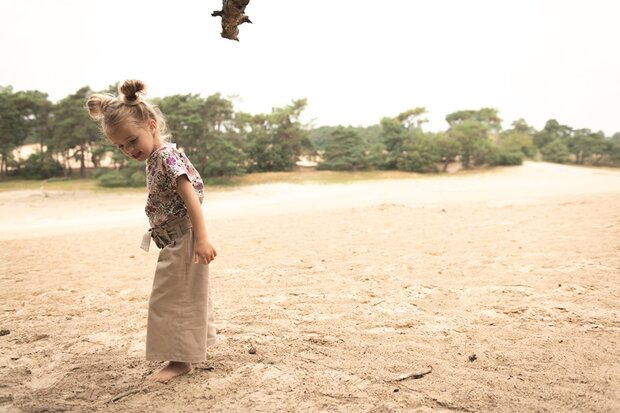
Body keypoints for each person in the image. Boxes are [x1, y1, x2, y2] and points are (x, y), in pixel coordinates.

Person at [86, 79, 217, 382]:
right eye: (120, 146)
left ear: (152, 125)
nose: (128, 150)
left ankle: (180, 361)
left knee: (170, 298)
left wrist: (202, 239)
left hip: (184, 236)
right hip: (175, 238)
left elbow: (190, 198)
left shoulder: (166, 156)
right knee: (186, 293)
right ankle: (192, 349)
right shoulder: (157, 158)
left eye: (132, 140)